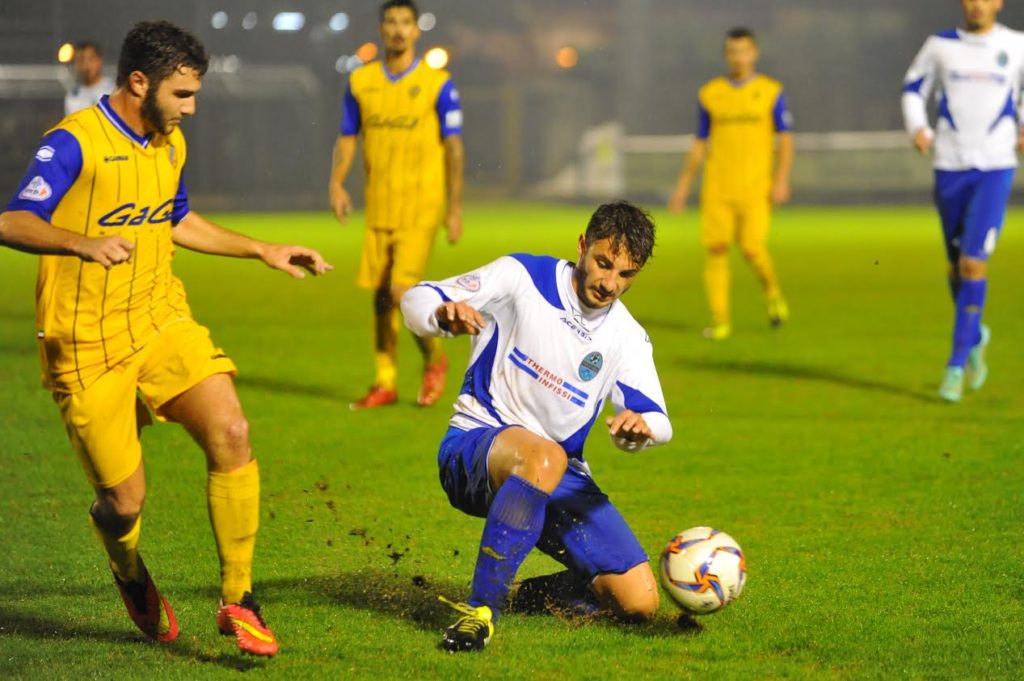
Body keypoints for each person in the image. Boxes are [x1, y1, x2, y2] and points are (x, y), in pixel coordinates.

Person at [0, 20, 333, 656]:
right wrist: (82, 242)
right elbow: (14, 218)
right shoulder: (73, 144)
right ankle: (128, 570)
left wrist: (261, 248)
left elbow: (176, 220)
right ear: (138, 82)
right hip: (85, 343)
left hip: (160, 321)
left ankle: (239, 600)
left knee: (231, 431)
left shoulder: (168, 144)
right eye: (182, 94)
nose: (192, 107)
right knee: (125, 503)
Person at [401, 201, 673, 652]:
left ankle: (526, 594)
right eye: (603, 263)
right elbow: (417, 296)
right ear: (582, 245)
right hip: (475, 445)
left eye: (625, 275)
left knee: (639, 601)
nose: (609, 283)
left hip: (555, 474)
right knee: (546, 455)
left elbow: (660, 421)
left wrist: (639, 431)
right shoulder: (520, 277)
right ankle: (481, 611)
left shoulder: (628, 337)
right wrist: (439, 316)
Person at [328, 0, 465, 410]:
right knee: (380, 297)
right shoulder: (361, 81)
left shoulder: (438, 84)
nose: (399, 30)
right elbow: (348, 135)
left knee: (402, 290)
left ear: (416, 30)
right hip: (380, 206)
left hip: (422, 204)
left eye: (406, 22)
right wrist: (336, 182)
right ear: (382, 28)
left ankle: (435, 359)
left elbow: (454, 149)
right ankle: (385, 381)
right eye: (391, 22)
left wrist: (454, 208)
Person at [902, 0, 1022, 402]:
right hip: (949, 166)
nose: (977, 5)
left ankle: (955, 367)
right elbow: (913, 88)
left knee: (973, 262)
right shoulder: (939, 46)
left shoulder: (1017, 45)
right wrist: (918, 127)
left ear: (999, 3)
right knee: (956, 269)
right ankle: (975, 333)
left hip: (995, 166)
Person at [668, 27, 794, 341]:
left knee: (752, 248)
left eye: (743, 51)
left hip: (755, 188)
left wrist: (780, 180)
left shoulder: (770, 91)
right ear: (726, 55)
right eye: (732, 51)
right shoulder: (710, 94)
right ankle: (721, 321)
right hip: (718, 188)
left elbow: (786, 140)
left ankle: (772, 291)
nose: (738, 57)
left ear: (754, 53)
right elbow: (699, 144)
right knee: (716, 250)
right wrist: (683, 187)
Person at [64, 41, 115, 115]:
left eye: (91, 59)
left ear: (99, 60)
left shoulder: (114, 89)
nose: (86, 65)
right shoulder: (72, 97)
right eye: (81, 61)